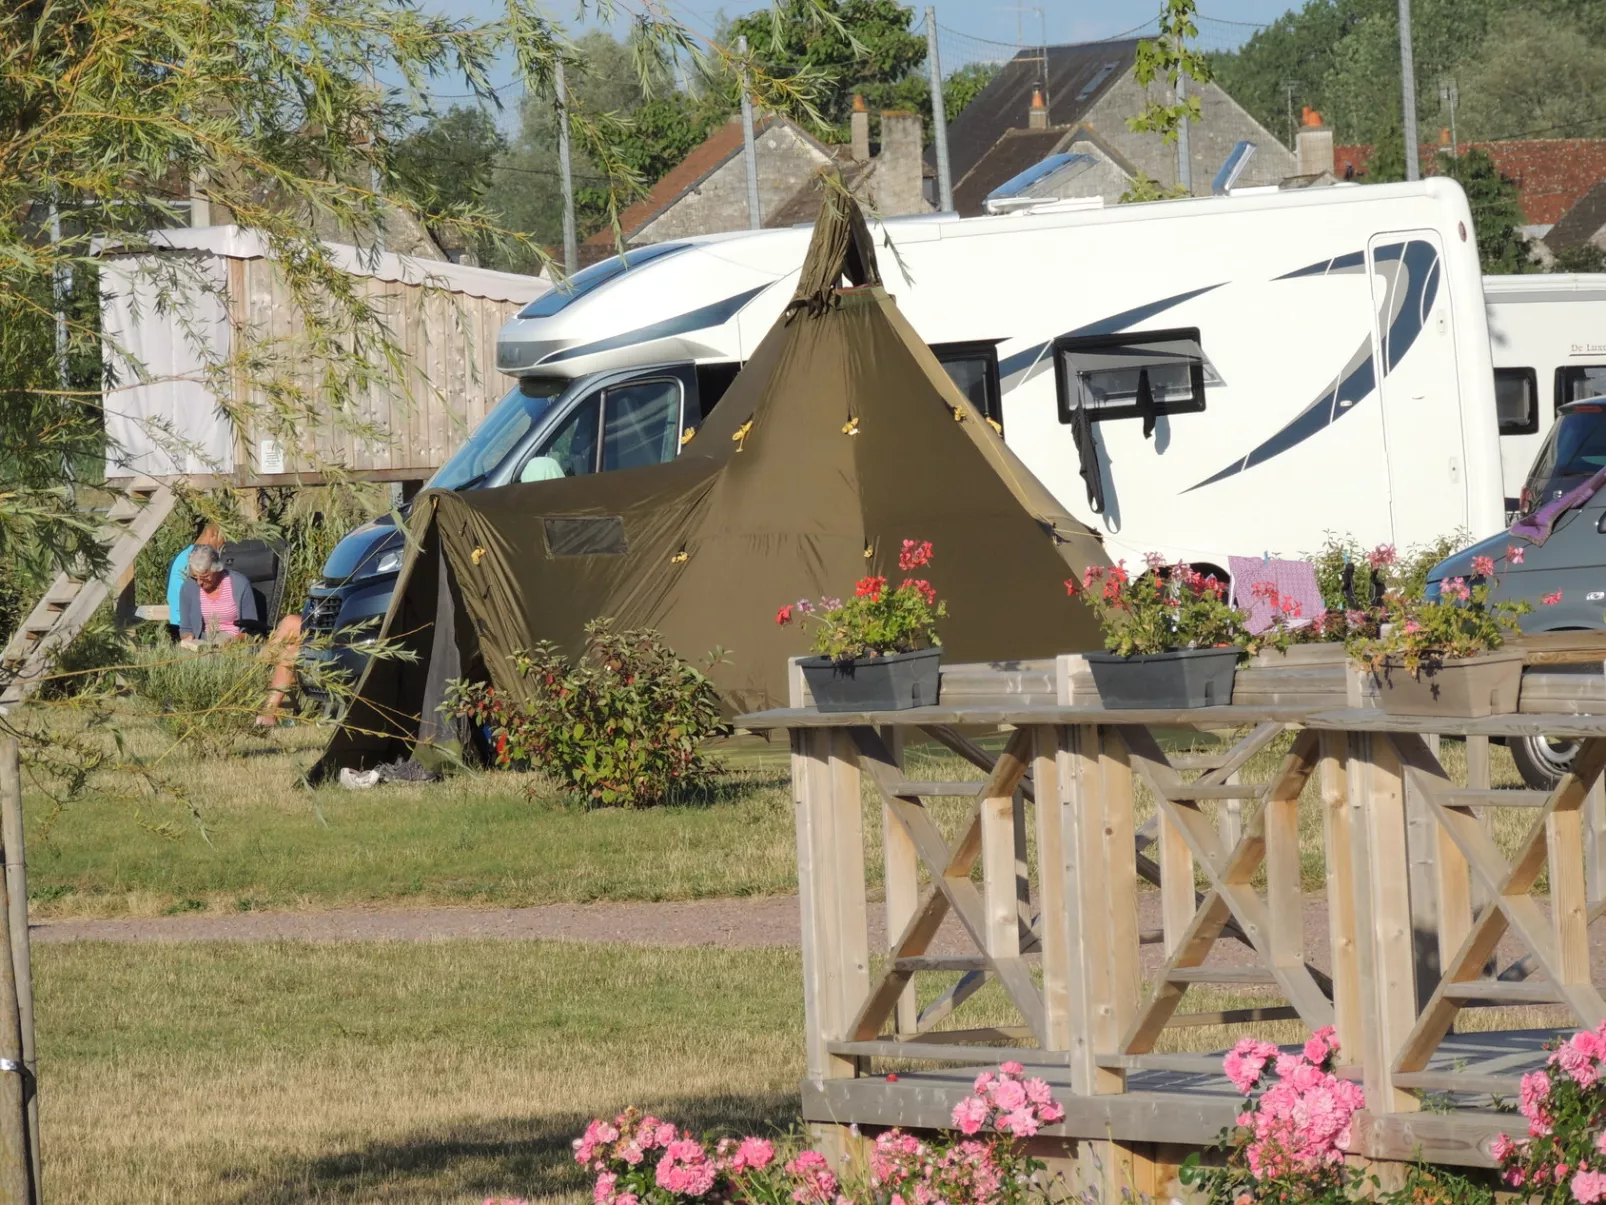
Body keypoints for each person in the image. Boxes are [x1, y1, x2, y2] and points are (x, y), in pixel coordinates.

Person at [176, 545, 303, 725]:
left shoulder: (238, 583)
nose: (199, 583)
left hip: (235, 642)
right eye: (195, 577)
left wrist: (235, 641)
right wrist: (188, 640)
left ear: (217, 569)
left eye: (204, 578)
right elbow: (186, 628)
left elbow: (252, 628)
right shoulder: (189, 588)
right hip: (204, 641)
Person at [166, 522, 225, 640]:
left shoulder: (184, 556)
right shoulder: (196, 560)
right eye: (222, 541)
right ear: (213, 533)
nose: (221, 547)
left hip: (178, 621)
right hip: (187, 626)